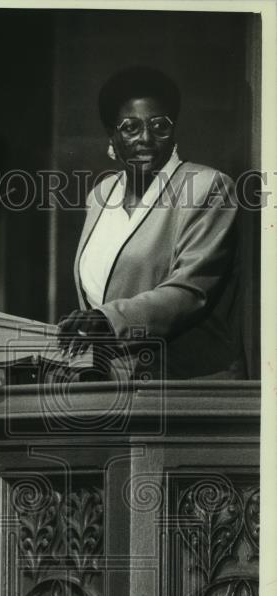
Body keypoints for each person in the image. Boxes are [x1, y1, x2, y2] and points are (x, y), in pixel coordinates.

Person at [58, 65, 245, 380]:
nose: (146, 138)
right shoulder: (101, 195)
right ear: (111, 135)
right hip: (112, 385)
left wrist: (107, 319)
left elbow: (190, 290)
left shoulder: (206, 186)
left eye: (159, 126)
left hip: (188, 385)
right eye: (130, 127)